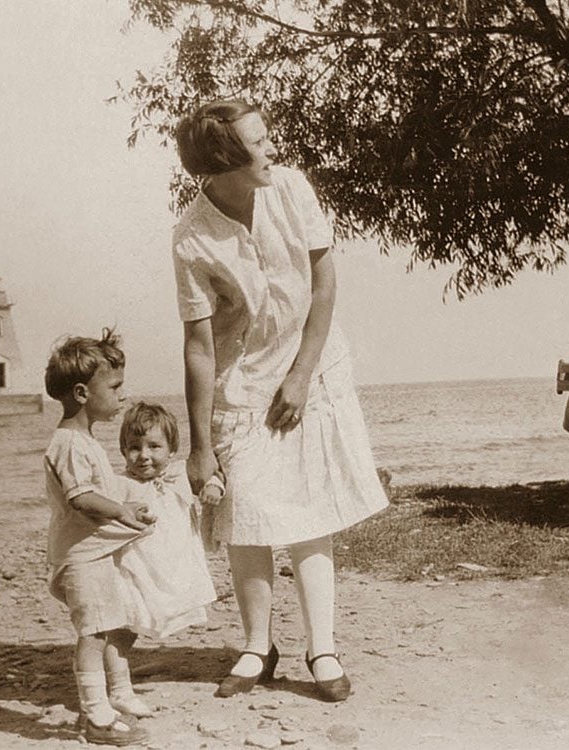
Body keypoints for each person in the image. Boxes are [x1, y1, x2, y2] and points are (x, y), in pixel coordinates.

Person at [171, 99, 390, 702]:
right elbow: (197, 344)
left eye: (266, 140)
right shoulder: (191, 239)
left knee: (310, 510)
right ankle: (256, 645)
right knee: (245, 512)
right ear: (223, 162)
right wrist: (199, 449)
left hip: (312, 368)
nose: (272, 151)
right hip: (242, 384)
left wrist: (301, 375)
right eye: (258, 144)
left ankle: (322, 647)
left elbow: (324, 286)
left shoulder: (291, 189)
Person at [42, 329, 153, 746]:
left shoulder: (83, 441)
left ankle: (112, 700)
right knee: (92, 632)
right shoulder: (69, 444)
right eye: (116, 387)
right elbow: (83, 498)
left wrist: (128, 505)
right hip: (80, 558)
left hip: (92, 554)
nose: (122, 395)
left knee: (107, 625)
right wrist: (122, 511)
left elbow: (99, 490)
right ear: (83, 393)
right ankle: (95, 717)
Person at [114, 402, 217, 639]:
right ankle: (116, 667)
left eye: (154, 446)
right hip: (140, 562)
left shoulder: (179, 473)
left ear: (172, 449)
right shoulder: (121, 484)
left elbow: (212, 474)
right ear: (123, 450)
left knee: (176, 599)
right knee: (132, 614)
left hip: (176, 560)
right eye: (134, 448)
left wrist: (213, 486)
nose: (144, 456)